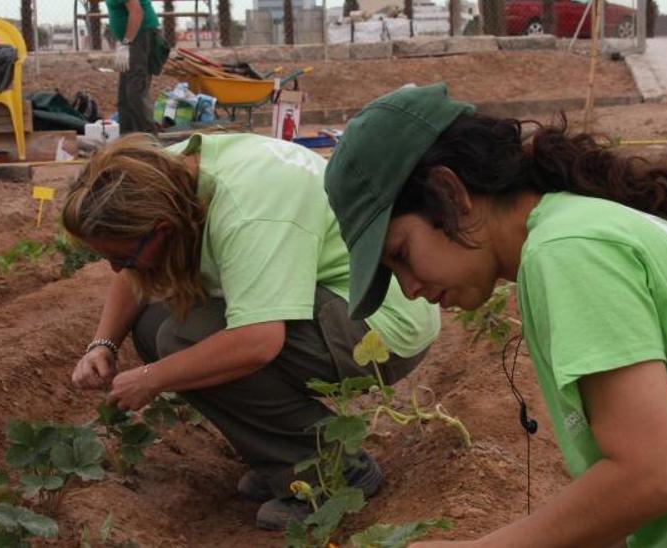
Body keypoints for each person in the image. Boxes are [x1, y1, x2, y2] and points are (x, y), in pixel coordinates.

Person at [323, 84, 667, 547]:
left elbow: (653, 477)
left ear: (451, 193)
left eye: (400, 256)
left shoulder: (566, 252)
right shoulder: (588, 226)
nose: (411, 288)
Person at [61, 133, 440, 530]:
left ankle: (335, 472)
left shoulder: (248, 208)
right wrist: (102, 344)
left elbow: (259, 341)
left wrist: (150, 378)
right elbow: (135, 266)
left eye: (121, 257)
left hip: (379, 320)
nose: (116, 270)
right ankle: (285, 456)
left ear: (161, 227)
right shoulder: (159, 177)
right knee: (153, 324)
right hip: (329, 298)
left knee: (184, 340)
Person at [108, 0, 167, 134]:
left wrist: (126, 43)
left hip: (139, 37)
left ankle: (149, 138)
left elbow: (137, 12)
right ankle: (129, 138)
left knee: (135, 92)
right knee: (124, 97)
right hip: (133, 38)